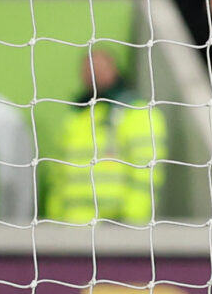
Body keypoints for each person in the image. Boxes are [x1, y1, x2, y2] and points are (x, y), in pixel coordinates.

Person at [42, 49, 166, 223]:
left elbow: (146, 172)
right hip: (71, 225)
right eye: (88, 69)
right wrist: (54, 217)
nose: (93, 74)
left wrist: (133, 220)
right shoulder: (75, 118)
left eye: (99, 67)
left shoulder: (137, 113)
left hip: (114, 224)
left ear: (114, 69)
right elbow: (58, 175)